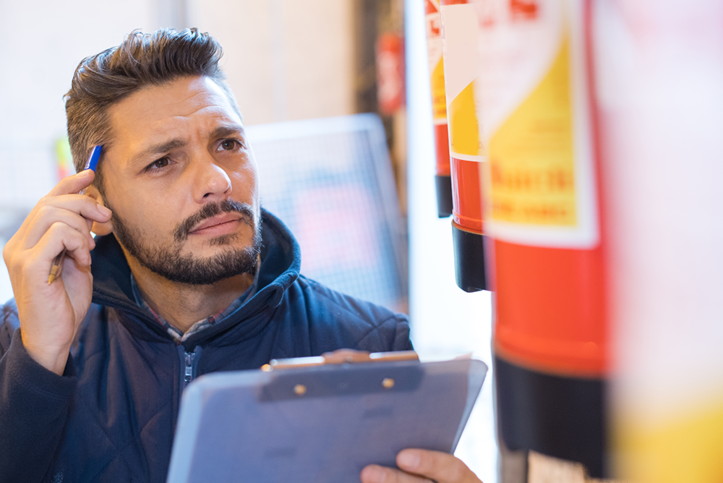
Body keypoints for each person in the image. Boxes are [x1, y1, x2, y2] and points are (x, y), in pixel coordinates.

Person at [0, 28, 482, 483]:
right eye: (162, 162)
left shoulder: (374, 343)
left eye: (228, 144)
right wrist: (39, 361)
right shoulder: (25, 341)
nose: (217, 180)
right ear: (95, 202)